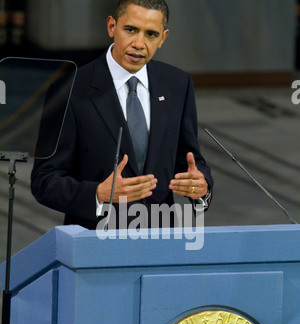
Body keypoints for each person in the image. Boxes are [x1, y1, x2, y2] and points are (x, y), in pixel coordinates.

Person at [31, 0, 214, 230]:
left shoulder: (177, 84)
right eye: (130, 30)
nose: (139, 43)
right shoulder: (70, 89)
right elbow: (44, 181)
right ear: (111, 27)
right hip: (95, 241)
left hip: (161, 241)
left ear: (163, 38)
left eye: (151, 34)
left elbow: (190, 162)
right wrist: (98, 194)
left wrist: (201, 186)